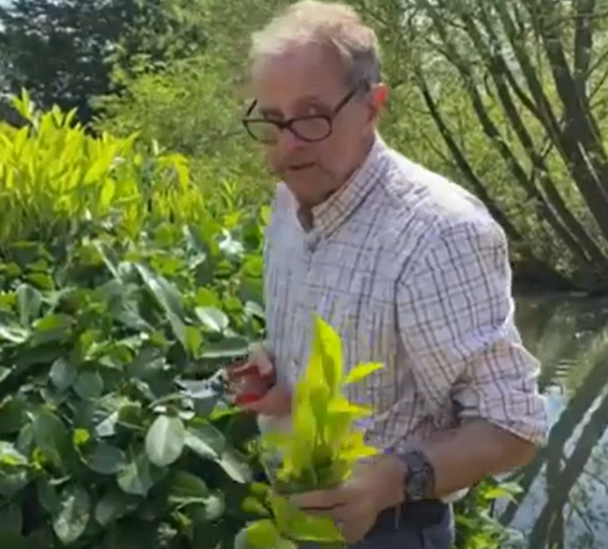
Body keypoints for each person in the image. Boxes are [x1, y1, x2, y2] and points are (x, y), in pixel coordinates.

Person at [227, 2, 550, 548]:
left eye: (311, 116)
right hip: (295, 520)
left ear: (372, 106)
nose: (286, 147)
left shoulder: (439, 233)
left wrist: (387, 482)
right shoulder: (287, 203)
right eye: (272, 121)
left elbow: (513, 428)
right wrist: (276, 383)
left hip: (394, 533)